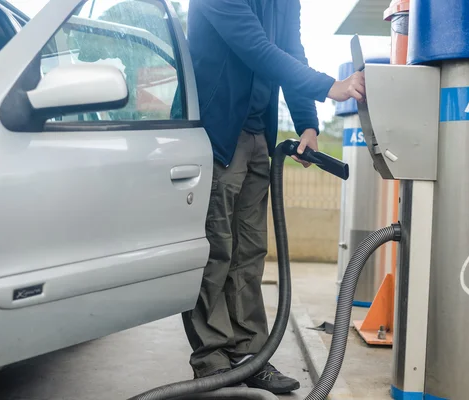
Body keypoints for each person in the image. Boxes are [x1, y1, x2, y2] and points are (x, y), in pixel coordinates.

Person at [181, 0, 365, 394]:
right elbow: (257, 48)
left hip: (256, 136)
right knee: (216, 251)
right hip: (215, 136)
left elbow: (289, 51)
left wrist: (308, 124)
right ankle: (213, 360)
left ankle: (251, 356)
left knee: (249, 251)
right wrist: (327, 85)